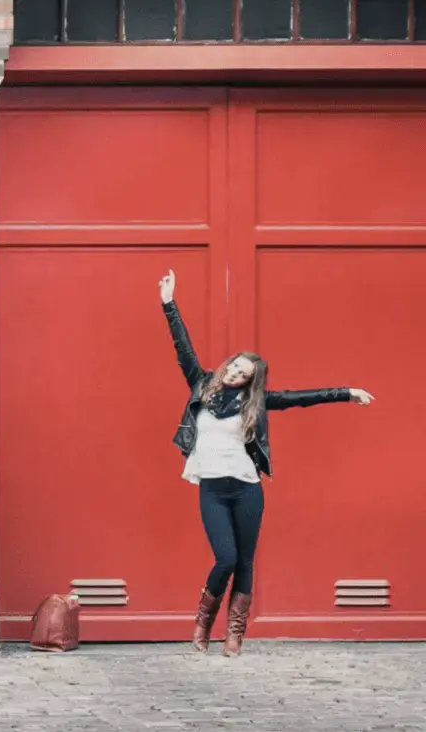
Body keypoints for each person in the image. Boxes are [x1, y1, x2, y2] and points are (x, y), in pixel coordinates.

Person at [158, 269, 372, 656]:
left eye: (244, 374)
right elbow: (183, 347)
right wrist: (169, 303)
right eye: (235, 366)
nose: (236, 373)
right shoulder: (201, 384)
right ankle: (204, 622)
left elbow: (302, 397)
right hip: (213, 489)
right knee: (224, 558)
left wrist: (347, 392)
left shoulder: (256, 403)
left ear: (249, 382)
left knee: (245, 559)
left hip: (245, 488)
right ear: (227, 365)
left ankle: (235, 632)